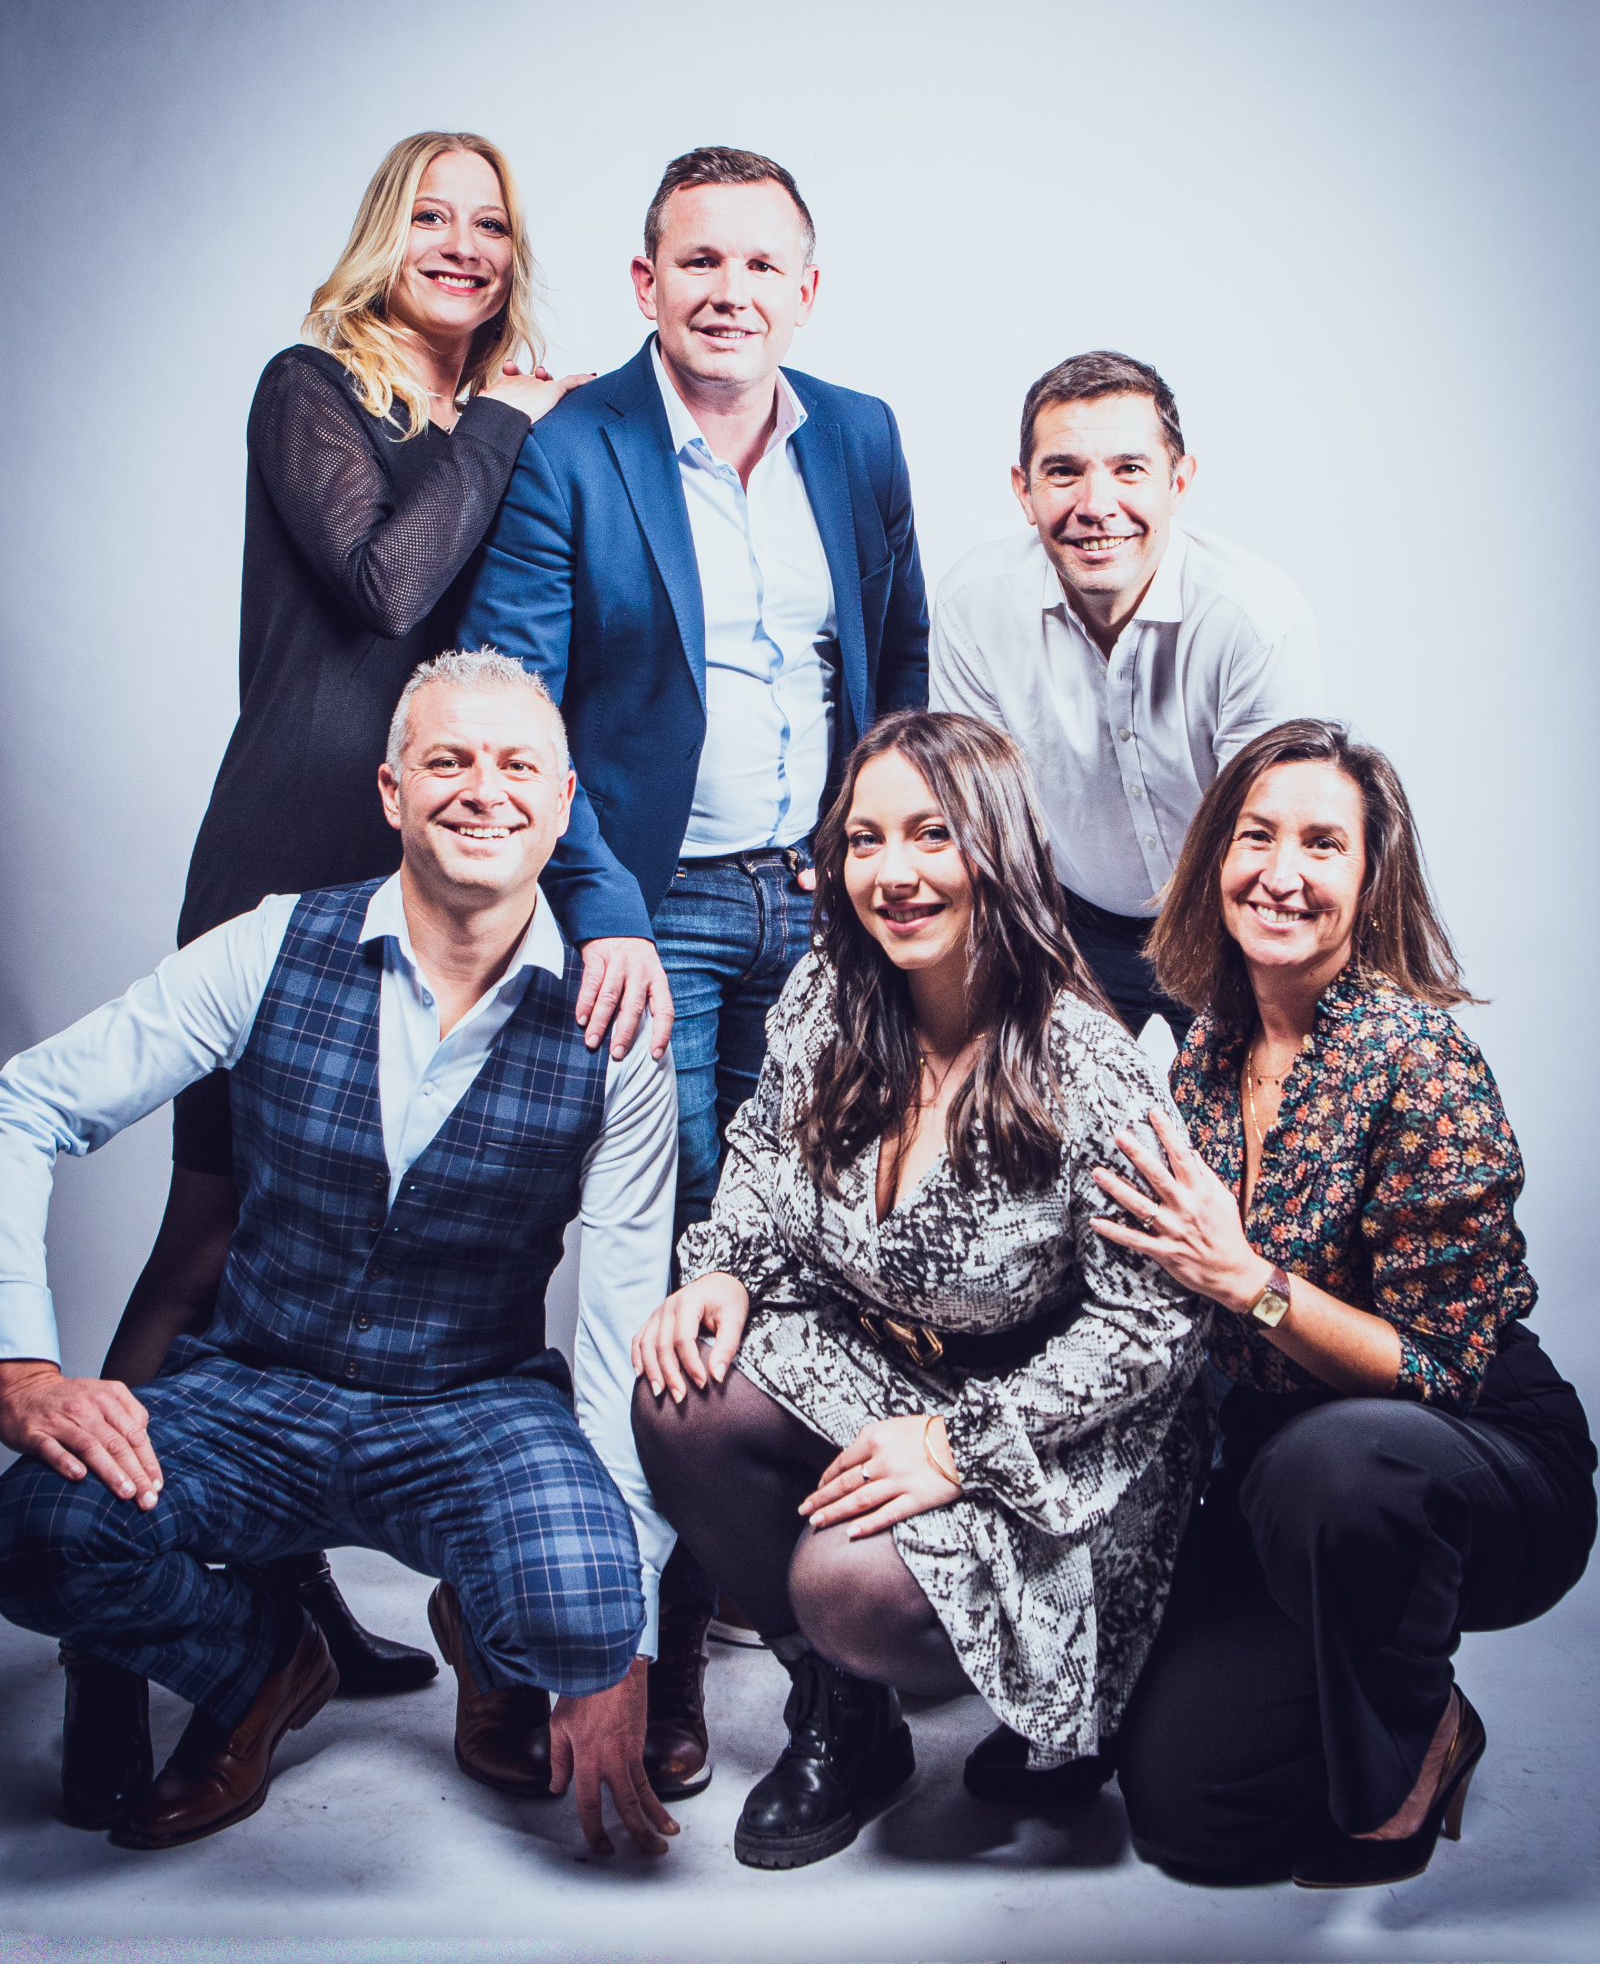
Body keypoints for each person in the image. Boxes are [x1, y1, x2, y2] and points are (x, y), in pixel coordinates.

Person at [58, 129, 609, 1833]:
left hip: (449, 851)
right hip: (295, 840)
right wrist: (498, 422)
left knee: (383, 1232)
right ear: (385, 234)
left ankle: (301, 1614)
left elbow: (516, 637)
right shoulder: (314, 388)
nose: (462, 243)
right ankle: (105, 1659)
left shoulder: (510, 424)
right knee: (214, 1233)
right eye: (431, 215)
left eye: (490, 222)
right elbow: (387, 583)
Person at [0, 651, 679, 1860]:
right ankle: (261, 1663)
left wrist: (621, 1645)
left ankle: (490, 1634)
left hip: (471, 1405)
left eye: (517, 765)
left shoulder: (614, 1022)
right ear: (390, 791)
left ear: (564, 801)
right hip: (255, 1389)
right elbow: (25, 1106)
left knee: (589, 1606)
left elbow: (622, 1318)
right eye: (448, 761)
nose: (484, 790)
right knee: (31, 1530)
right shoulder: (271, 944)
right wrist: (20, 1364)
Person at [457, 145, 930, 1794]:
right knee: (650, 1270)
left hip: (823, 906)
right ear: (646, 284)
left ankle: (784, 1617)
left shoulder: (858, 434)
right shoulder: (574, 447)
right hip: (649, 912)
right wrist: (602, 909)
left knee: (798, 1259)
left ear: (809, 287)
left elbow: (895, 662)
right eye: (699, 262)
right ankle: (635, 1649)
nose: (731, 292)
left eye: (761, 265)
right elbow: (518, 701)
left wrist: (881, 870)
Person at [630, 710, 1212, 1869]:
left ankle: (1046, 1678)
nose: (892, 873)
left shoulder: (1087, 1064)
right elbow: (761, 1150)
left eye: (931, 834)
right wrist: (726, 1267)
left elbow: (1155, 1325)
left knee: (844, 1581)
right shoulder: (827, 996)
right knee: (681, 1388)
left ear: (997, 846)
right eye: (866, 839)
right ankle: (843, 1719)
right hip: (882, 1360)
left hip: (1048, 1428)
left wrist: (958, 1443)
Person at [1095, 719, 1596, 1886]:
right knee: (1191, 1817)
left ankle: (1423, 1743)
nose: (1281, 871)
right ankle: (1372, 1681)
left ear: (1369, 882)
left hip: (1468, 1455)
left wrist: (1249, 1283)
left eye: (1322, 844)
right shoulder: (1204, 1053)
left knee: (1337, 1463)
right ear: (1215, 858)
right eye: (1256, 835)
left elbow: (1442, 1366)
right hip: (1287, 1466)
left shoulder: (1419, 1059)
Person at [930, 350, 1320, 1043]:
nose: (1095, 505)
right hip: (1066, 917)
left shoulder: (1254, 620)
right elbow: (980, 817)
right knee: (1035, 1106)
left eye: (1129, 469)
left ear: (1179, 481)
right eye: (1063, 472)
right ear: (1023, 490)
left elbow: (1271, 834)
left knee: (1248, 1105)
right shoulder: (974, 604)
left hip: (1230, 916)